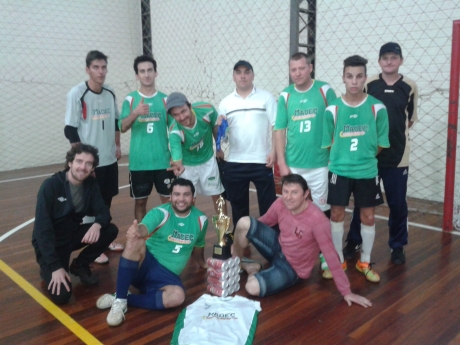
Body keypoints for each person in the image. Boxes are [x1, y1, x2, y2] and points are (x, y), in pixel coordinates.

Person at [231, 174, 372, 308]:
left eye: (294, 192)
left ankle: (252, 269)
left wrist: (346, 292)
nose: (288, 197)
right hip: (278, 248)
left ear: (306, 194)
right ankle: (235, 263)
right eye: (285, 191)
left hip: (292, 268)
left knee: (252, 287)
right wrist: (243, 235)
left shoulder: (318, 221)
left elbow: (330, 255)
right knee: (244, 223)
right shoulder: (280, 203)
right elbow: (264, 222)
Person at [96, 178, 208, 327]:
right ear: (170, 197)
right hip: (144, 267)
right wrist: (137, 231)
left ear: (193, 198)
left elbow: (199, 244)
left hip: (167, 277)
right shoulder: (160, 213)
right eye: (177, 194)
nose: (181, 199)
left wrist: (202, 263)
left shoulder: (201, 220)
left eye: (186, 194)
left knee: (178, 297)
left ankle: (121, 299)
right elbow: (144, 228)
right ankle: (121, 299)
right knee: (136, 241)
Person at [345, 43, 418, 265]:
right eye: (385, 58)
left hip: (397, 157)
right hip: (368, 156)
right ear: (379, 61)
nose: (389, 61)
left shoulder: (409, 86)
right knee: (362, 201)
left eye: (393, 58)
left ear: (401, 61)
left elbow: (410, 120)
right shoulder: (369, 84)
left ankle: (397, 246)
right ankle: (354, 241)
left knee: (397, 204)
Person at [321, 55, 390, 283]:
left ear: (364, 79)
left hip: (367, 172)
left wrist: (362, 158)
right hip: (339, 171)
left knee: (368, 216)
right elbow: (328, 142)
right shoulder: (332, 109)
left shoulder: (377, 108)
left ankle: (365, 261)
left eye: (359, 76)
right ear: (343, 78)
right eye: (349, 76)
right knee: (337, 214)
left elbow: (381, 143)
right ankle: (338, 260)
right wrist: (344, 158)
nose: (354, 81)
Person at [274, 52, 337, 279]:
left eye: (301, 68)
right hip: (294, 165)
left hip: (320, 164)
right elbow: (279, 129)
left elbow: (336, 121)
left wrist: (334, 154)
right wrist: (282, 162)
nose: (297, 73)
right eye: (293, 70)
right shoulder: (286, 95)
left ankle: (323, 253)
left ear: (310, 68)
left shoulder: (324, 90)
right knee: (291, 207)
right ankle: (292, 249)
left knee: (321, 211)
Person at [32, 144, 119, 305]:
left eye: (88, 164)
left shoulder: (90, 185)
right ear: (70, 162)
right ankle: (47, 268)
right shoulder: (50, 186)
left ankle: (80, 264)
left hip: (72, 234)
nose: (83, 167)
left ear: (93, 167)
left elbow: (103, 212)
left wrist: (97, 224)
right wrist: (55, 265)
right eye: (79, 161)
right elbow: (42, 230)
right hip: (52, 243)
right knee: (62, 297)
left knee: (110, 230)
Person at [64, 50, 123, 263]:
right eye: (96, 67)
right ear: (87, 69)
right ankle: (92, 245)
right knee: (89, 204)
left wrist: (117, 145)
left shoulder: (110, 92)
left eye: (103, 67)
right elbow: (70, 129)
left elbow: (116, 121)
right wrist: (83, 161)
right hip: (91, 163)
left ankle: (103, 240)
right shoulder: (77, 94)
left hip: (108, 158)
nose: (100, 71)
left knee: (105, 201)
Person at [218, 60, 277, 228]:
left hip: (262, 161)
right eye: (238, 72)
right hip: (235, 162)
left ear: (253, 75)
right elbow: (222, 135)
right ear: (233, 76)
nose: (242, 76)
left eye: (246, 72)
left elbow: (276, 126)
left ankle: (270, 242)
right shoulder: (225, 103)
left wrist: (274, 151)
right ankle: (241, 246)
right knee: (239, 209)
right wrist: (219, 134)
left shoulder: (266, 97)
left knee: (268, 208)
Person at [119, 55, 179, 222]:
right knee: (140, 202)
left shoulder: (166, 99)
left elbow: (174, 130)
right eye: (142, 71)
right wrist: (135, 113)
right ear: (137, 75)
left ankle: (171, 235)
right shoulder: (131, 100)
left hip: (163, 162)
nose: (146, 75)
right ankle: (140, 238)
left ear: (156, 73)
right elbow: (122, 127)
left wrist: (176, 158)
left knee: (168, 201)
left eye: (149, 70)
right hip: (140, 163)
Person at [166, 92, 226, 214]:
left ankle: (224, 231)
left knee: (218, 197)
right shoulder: (174, 131)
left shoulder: (207, 110)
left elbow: (215, 126)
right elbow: (177, 154)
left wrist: (219, 149)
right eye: (176, 115)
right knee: (187, 200)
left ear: (190, 107)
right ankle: (189, 231)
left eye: (183, 111)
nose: (181, 117)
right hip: (187, 166)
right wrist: (178, 165)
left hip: (208, 161)